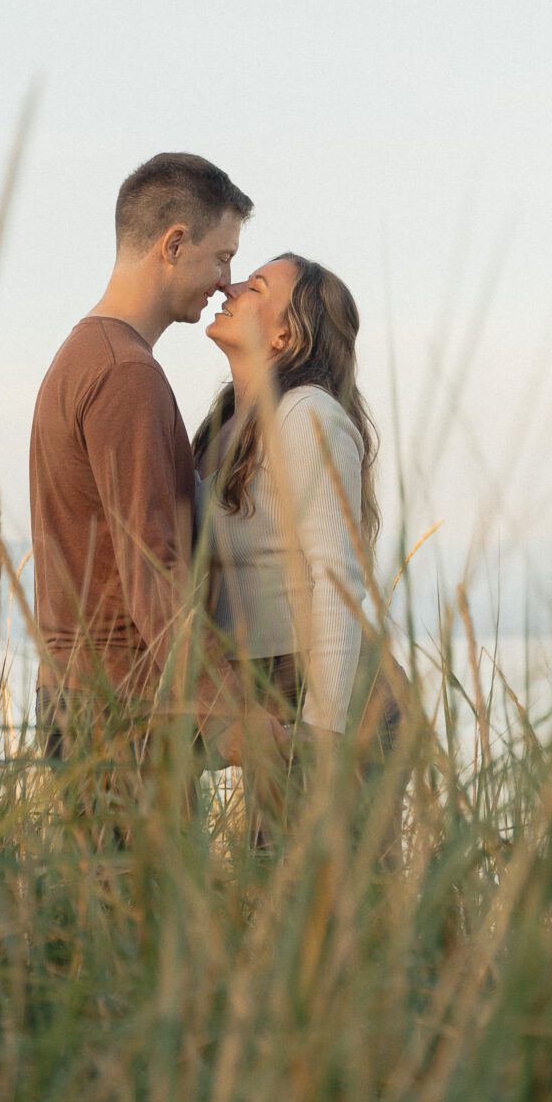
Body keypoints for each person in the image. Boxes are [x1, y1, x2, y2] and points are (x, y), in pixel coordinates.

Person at [28, 151, 261, 776]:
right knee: (138, 881)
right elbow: (151, 562)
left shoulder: (85, 355)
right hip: (117, 708)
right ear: (175, 244)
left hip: (82, 697)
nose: (225, 281)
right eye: (223, 257)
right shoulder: (125, 374)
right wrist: (228, 717)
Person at [196, 253, 400, 834]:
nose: (229, 287)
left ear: (287, 334)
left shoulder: (307, 415)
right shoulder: (223, 427)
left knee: (327, 900)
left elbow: (337, 576)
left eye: (255, 286)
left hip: (327, 691)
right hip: (269, 684)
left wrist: (324, 731)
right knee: (275, 890)